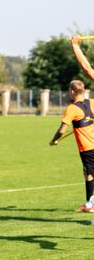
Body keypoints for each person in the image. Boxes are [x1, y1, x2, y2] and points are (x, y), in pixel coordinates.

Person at [49, 80, 94, 212]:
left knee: (90, 173)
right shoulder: (91, 102)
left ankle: (90, 204)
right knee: (88, 173)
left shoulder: (72, 108)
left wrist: (54, 140)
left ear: (73, 91)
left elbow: (62, 130)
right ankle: (89, 203)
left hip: (87, 147)